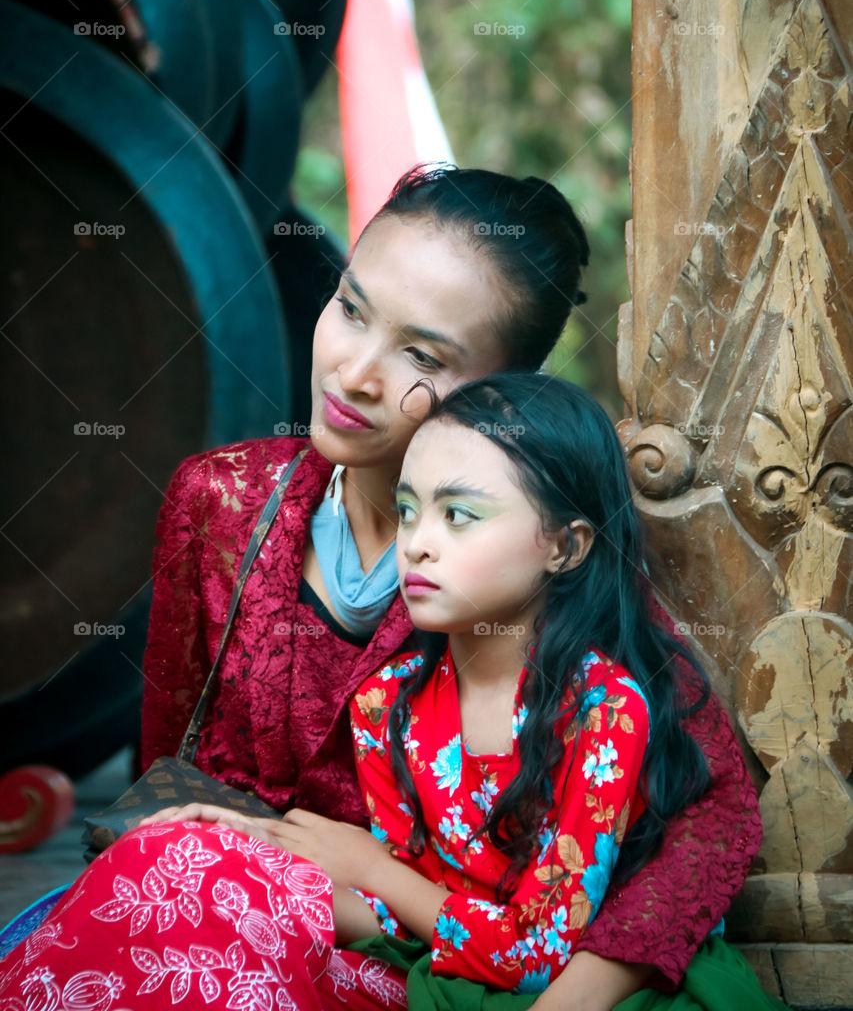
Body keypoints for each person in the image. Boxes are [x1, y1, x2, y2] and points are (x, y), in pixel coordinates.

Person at [77, 167, 757, 1003]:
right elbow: (167, 759)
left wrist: (569, 997)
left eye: (421, 355)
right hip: (216, 898)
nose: (354, 373)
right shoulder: (217, 501)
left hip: (415, 952)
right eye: (351, 309)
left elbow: (715, 815)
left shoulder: (519, 563)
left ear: (504, 388)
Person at [0, 376, 777, 1011]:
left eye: (459, 515)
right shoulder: (390, 702)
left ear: (563, 546)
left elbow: (536, 956)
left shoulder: (603, 709)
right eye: (407, 510)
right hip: (429, 964)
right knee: (176, 863)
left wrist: (371, 871)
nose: (418, 542)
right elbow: (401, 918)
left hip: (534, 987)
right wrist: (245, 851)